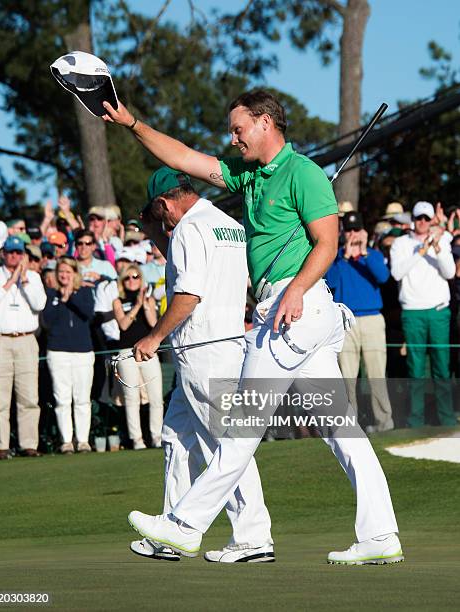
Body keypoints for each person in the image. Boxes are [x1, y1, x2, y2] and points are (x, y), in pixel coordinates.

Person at [102, 91, 402, 565]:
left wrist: (297, 290)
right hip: (293, 312)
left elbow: (327, 244)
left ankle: (184, 525)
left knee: (241, 426)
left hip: (292, 310)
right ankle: (381, 534)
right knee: (341, 429)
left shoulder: (304, 174)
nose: (232, 137)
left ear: (265, 123)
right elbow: (183, 157)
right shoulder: (248, 174)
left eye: (239, 128)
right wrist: (132, 123)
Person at [125, 166, 273, 562]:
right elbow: (187, 264)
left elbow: (189, 293)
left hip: (203, 349)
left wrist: (154, 336)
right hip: (225, 344)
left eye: (160, 216)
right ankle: (169, 532)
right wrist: (154, 233)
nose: (163, 224)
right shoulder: (227, 223)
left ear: (164, 202)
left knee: (223, 446)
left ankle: (253, 536)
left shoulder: (189, 229)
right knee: (176, 437)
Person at [325, 212, 394, 433]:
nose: (353, 234)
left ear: (363, 231)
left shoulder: (372, 255)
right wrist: (344, 256)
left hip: (372, 319)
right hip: (346, 321)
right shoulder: (336, 258)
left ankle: (384, 422)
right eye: (349, 230)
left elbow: (383, 277)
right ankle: (350, 425)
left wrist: (363, 252)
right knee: (347, 377)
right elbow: (331, 282)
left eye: (356, 230)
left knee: (376, 375)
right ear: (344, 232)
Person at [390, 201, 456, 427]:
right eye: (419, 218)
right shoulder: (400, 244)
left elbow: (449, 273)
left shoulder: (443, 239)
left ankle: (447, 420)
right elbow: (397, 273)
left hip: (438, 312)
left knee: (442, 369)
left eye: (427, 219)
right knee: (415, 371)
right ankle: (415, 422)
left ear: (431, 221)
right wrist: (422, 251)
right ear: (414, 219)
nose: (423, 222)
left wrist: (437, 248)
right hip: (413, 313)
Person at [0, 236, 47, 458]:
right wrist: (10, 282)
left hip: (26, 340)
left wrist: (25, 281)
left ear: (24, 255)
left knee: (29, 396)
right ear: (3, 254)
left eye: (18, 253)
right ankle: (1, 446)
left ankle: (28, 443)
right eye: (10, 252)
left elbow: (39, 304)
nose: (14, 256)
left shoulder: (34, 278)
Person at [42, 257, 95, 453]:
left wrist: (71, 297)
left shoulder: (85, 291)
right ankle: (66, 440)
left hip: (82, 352)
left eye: (68, 272)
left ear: (75, 273)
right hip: (58, 352)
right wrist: (61, 300)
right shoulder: (51, 294)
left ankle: (82, 440)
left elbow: (88, 314)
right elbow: (47, 320)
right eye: (61, 272)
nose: (64, 275)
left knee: (82, 398)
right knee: (62, 398)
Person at [113, 263, 163, 449]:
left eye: (135, 277)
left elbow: (153, 323)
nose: (132, 281)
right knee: (131, 397)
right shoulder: (118, 300)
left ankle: (156, 435)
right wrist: (136, 306)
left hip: (148, 351)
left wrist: (146, 305)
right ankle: (137, 438)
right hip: (127, 353)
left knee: (156, 396)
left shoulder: (148, 300)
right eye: (127, 277)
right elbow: (124, 325)